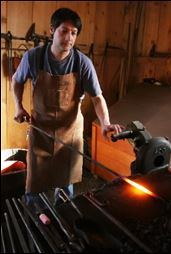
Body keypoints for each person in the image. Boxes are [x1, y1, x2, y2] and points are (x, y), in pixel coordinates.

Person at [12, 8, 123, 207]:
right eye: (64, 31)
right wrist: (18, 107)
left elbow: (97, 98)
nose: (69, 37)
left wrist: (105, 123)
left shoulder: (83, 63)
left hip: (70, 134)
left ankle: (63, 222)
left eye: (73, 33)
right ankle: (34, 221)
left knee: (65, 188)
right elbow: (16, 81)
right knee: (35, 185)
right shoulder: (34, 57)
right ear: (51, 31)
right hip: (41, 132)